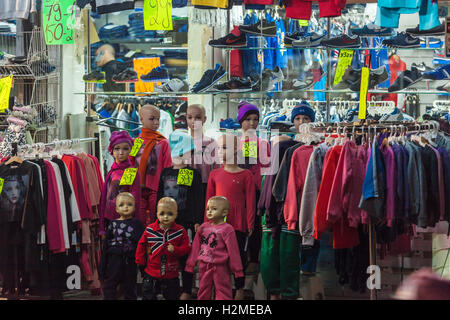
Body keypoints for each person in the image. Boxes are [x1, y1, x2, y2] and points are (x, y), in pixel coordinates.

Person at [205, 133, 256, 300]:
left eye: (224, 148)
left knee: (238, 256)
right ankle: (219, 289)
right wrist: (206, 222)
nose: (220, 151)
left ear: (236, 149)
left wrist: (250, 223)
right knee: (216, 256)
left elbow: (250, 201)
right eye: (218, 148)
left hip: (238, 222)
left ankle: (239, 289)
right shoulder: (214, 174)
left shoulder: (246, 175)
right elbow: (209, 200)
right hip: (218, 223)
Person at [157, 129, 204, 300]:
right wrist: (158, 218)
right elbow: (159, 196)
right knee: (166, 255)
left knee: (185, 256)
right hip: (166, 222)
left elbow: (199, 198)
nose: (191, 154)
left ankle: (186, 289)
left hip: (186, 222)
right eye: (189, 150)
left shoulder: (192, 173)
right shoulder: (165, 173)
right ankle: (168, 286)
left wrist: (198, 220)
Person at [236, 101, 271, 297]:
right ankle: (247, 260)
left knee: (255, 225)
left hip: (256, 189)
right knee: (244, 225)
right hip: (242, 189)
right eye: (248, 119)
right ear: (241, 121)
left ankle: (253, 260)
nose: (252, 123)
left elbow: (256, 168)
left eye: (255, 120)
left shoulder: (257, 142)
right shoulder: (242, 142)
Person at [185, 196, 244, 300]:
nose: (209, 211)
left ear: (225, 212)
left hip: (221, 267)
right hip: (204, 265)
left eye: (214, 209)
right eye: (208, 209)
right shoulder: (203, 227)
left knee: (223, 291)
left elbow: (233, 252)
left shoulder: (228, 229)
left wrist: (237, 271)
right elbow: (195, 247)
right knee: (203, 290)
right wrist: (190, 264)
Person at [135, 197, 191, 300]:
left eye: (170, 214)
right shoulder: (150, 229)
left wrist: (176, 250)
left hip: (171, 273)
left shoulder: (180, 231)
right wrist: (140, 260)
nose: (166, 217)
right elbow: (141, 244)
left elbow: (186, 248)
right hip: (151, 272)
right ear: (157, 214)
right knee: (148, 296)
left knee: (172, 296)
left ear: (176, 214)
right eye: (162, 214)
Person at [130, 104, 172, 225]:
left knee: (156, 218)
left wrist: (166, 188)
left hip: (156, 187)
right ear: (141, 119)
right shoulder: (137, 142)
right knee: (139, 218)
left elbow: (167, 166)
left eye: (158, 119)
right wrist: (126, 186)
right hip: (138, 186)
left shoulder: (163, 143)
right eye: (152, 119)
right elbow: (132, 163)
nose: (156, 122)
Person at [98, 192, 144, 300]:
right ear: (116, 209)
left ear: (134, 207)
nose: (126, 207)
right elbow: (106, 246)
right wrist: (102, 267)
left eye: (129, 204)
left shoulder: (137, 224)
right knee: (110, 284)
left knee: (130, 285)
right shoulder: (113, 224)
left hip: (130, 260)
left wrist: (142, 265)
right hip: (114, 259)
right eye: (121, 205)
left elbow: (141, 244)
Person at [99, 131, 142, 234]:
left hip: (126, 220)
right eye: (117, 148)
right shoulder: (112, 171)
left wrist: (134, 223)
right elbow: (105, 196)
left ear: (130, 150)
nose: (121, 152)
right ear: (111, 150)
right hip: (110, 218)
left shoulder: (130, 172)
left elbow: (135, 199)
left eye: (125, 148)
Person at [186, 104, 219, 197]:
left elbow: (216, 167)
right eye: (190, 117)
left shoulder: (210, 142)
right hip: (187, 183)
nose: (193, 121)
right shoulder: (183, 142)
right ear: (186, 118)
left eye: (198, 118)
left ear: (204, 119)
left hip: (205, 183)